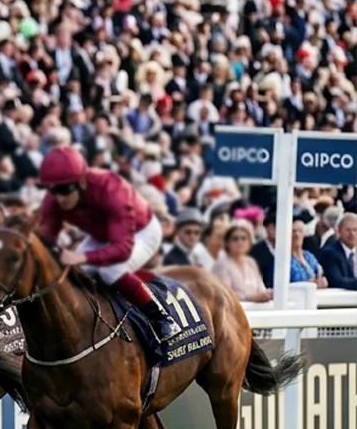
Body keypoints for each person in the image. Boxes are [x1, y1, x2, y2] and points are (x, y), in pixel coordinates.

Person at [34, 145, 178, 342]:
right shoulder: (55, 199)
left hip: (141, 231)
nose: (59, 197)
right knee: (73, 273)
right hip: (102, 235)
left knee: (109, 271)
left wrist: (82, 256)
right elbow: (45, 237)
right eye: (53, 190)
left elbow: (122, 250)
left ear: (82, 182)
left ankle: (162, 318)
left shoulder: (112, 188)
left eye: (65, 190)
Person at [212, 219, 272, 303]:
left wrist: (268, 294)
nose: (240, 242)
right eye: (235, 239)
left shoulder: (250, 262)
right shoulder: (221, 264)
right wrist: (252, 297)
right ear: (227, 242)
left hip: (257, 309)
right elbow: (224, 295)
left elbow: (260, 288)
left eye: (244, 238)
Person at [317, 213, 357, 291]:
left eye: (355, 230)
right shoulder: (330, 253)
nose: (352, 234)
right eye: (348, 230)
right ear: (339, 231)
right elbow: (337, 282)